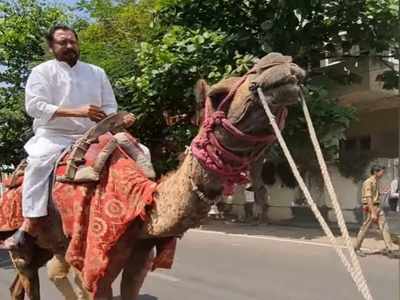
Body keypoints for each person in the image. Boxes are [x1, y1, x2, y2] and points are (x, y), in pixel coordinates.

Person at [0, 24, 133, 250]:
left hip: (93, 134)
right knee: (38, 164)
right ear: (52, 47)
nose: (69, 45)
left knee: (134, 153)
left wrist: (119, 119)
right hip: (53, 135)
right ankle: (29, 226)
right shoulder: (42, 72)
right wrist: (78, 112)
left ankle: (136, 212)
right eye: (63, 42)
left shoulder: (96, 72)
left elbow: (110, 106)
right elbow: (34, 106)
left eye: (72, 41)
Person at [354, 165, 397, 255]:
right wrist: (373, 212)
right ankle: (356, 248)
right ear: (375, 172)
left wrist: (382, 192)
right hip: (370, 207)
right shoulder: (368, 182)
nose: (383, 174)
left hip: (377, 207)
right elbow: (369, 197)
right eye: (381, 172)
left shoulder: (375, 182)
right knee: (365, 228)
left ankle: (390, 248)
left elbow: (374, 195)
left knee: (384, 226)